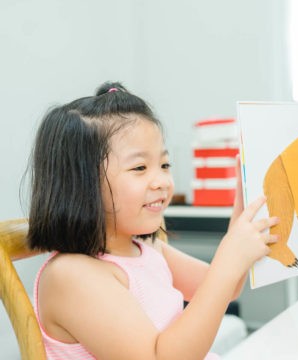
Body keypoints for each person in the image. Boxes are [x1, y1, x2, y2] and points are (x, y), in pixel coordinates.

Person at [27, 82, 278, 359]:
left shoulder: (145, 248)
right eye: (139, 168)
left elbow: (225, 289)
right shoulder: (71, 275)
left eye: (164, 165)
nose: (162, 181)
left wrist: (241, 213)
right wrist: (228, 260)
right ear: (80, 183)